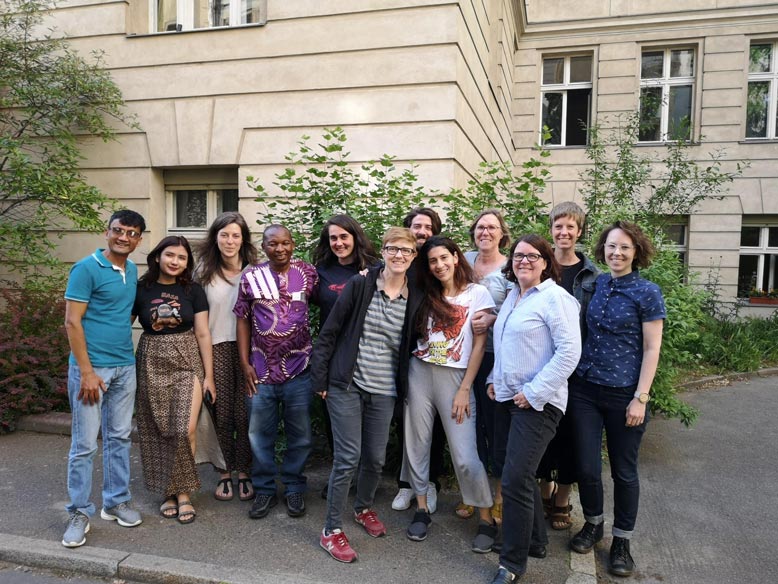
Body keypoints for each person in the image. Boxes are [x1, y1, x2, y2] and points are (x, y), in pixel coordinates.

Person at [312, 227, 422, 563]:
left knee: (374, 458)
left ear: (414, 256)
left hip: (385, 389)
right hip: (347, 383)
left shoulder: (415, 294)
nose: (399, 255)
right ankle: (330, 530)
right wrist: (320, 378)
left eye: (406, 250)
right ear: (383, 252)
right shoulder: (360, 285)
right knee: (347, 458)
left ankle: (362, 508)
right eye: (392, 248)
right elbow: (329, 332)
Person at [568, 221, 665, 578]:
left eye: (624, 247)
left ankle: (622, 541)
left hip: (625, 393)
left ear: (636, 251)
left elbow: (653, 348)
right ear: (602, 250)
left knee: (624, 472)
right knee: (587, 466)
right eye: (611, 247)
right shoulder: (596, 283)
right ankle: (594, 523)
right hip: (585, 389)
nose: (616, 253)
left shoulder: (648, 292)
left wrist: (641, 397)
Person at [487, 234, 581, 584]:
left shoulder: (557, 298)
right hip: (507, 398)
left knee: (514, 478)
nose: (524, 260)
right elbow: (504, 345)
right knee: (517, 474)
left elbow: (569, 353)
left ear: (545, 262)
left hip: (538, 404)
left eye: (532, 256)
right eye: (518, 255)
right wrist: (493, 380)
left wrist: (534, 391)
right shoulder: (513, 296)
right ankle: (537, 541)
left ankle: (511, 564)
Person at [404, 236, 496, 550]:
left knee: (467, 456)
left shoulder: (478, 293)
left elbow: (480, 345)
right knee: (416, 442)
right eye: (433, 261)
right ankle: (421, 508)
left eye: (444, 257)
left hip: (457, 380)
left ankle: (485, 518)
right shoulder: (422, 293)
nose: (440, 265)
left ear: (456, 257)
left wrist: (465, 389)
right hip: (420, 373)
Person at [62, 210, 146, 548]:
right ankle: (79, 513)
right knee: (84, 445)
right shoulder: (85, 269)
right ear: (107, 231)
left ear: (139, 238)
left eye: (131, 233)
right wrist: (86, 371)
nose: (124, 237)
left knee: (120, 437)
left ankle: (115, 501)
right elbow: (72, 322)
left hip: (125, 366)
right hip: (93, 370)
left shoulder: (132, 270)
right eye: (118, 230)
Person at [134, 235, 219, 525]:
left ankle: (184, 492)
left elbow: (203, 333)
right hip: (151, 359)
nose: (175, 261)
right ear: (158, 256)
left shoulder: (193, 290)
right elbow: (121, 323)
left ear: (187, 263)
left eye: (182, 258)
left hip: (187, 359)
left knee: (185, 428)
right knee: (159, 427)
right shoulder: (141, 289)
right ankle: (169, 492)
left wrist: (209, 376)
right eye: (170, 255)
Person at [235, 224, 319, 520]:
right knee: (260, 435)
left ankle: (295, 486)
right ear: (264, 245)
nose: (280, 248)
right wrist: (244, 362)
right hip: (259, 372)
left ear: (292, 243)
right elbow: (243, 320)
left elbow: (330, 304)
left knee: (300, 435)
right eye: (273, 244)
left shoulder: (308, 273)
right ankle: (265, 490)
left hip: (300, 369)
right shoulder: (251, 276)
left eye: (285, 243)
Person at [537, 202, 601, 530]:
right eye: (558, 227)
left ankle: (561, 499)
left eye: (570, 228)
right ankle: (545, 492)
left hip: (576, 370)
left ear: (579, 231)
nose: (564, 233)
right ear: (551, 230)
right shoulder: (538, 265)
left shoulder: (592, 275)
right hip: (539, 365)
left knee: (569, 437)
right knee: (541, 433)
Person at [311, 214, 379, 498]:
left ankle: (363, 478)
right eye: (333, 238)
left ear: (355, 237)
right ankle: (343, 475)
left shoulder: (374, 269)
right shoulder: (321, 272)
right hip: (333, 355)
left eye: (344, 237)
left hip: (368, 354)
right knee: (335, 421)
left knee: (368, 421)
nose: (339, 243)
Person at [195, 212, 258, 503]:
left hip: (251, 350)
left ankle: (243, 470)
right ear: (215, 238)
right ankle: (223, 471)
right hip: (215, 347)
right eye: (224, 235)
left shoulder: (256, 271)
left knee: (245, 412)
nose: (230, 241)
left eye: (235, 235)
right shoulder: (203, 272)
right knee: (221, 410)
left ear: (243, 238)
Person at [391, 207, 447, 514]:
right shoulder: (400, 263)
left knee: (435, 426)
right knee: (406, 423)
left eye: (428, 226)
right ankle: (406, 484)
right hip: (402, 356)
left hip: (435, 357)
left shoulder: (438, 266)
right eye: (417, 226)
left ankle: (431, 483)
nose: (423, 231)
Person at [462, 209, 511, 523]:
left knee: (497, 427)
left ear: (502, 233)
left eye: (492, 227)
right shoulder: (463, 260)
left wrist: (494, 318)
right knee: (469, 427)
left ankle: (500, 496)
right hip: (462, 356)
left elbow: (521, 305)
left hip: (496, 356)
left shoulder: (511, 265)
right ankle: (472, 493)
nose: (486, 232)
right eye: (481, 227)